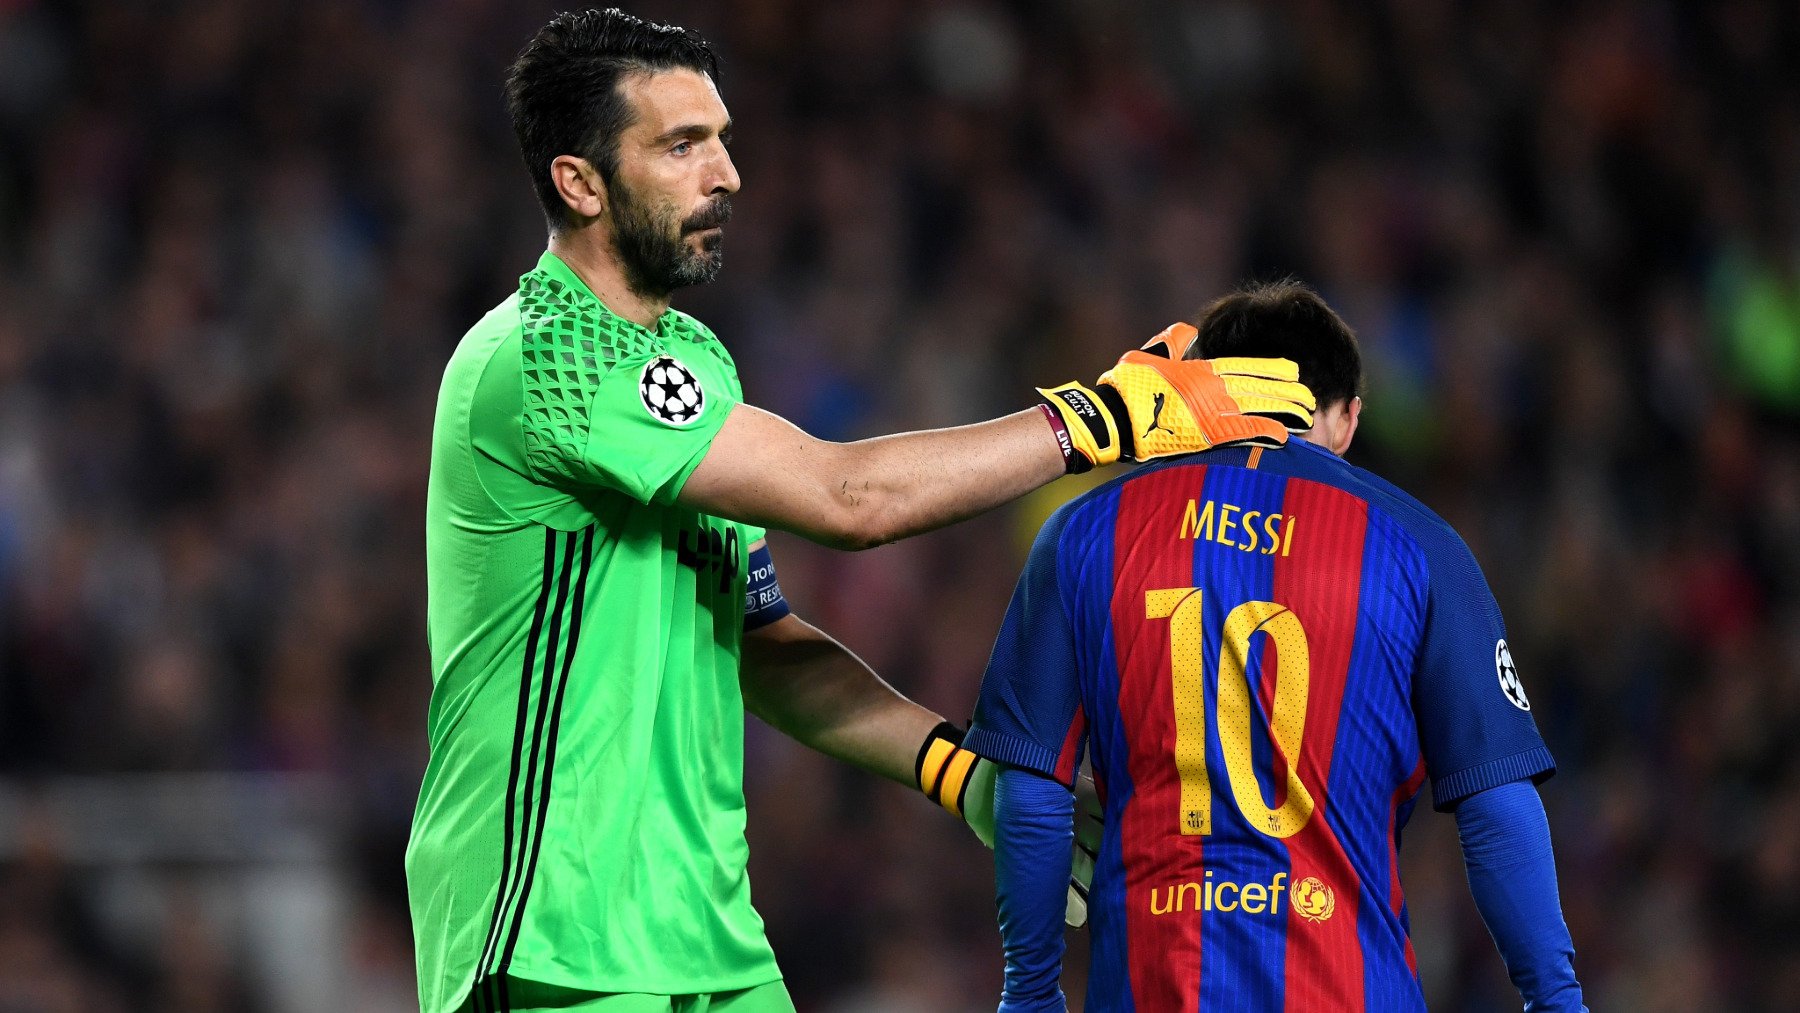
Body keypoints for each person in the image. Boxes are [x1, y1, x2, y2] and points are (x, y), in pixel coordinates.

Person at [404, 9, 1317, 1013]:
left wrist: (958, 771)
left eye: (722, 139)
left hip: (707, 935)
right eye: (681, 145)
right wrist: (1100, 418)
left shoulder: (693, 363)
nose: (726, 174)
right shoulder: (541, 355)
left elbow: (762, 644)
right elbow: (850, 498)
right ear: (579, 182)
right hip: (553, 931)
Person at [968, 281, 1585, 1011]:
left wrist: (1031, 995)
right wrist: (1558, 1002)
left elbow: (1035, 791)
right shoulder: (1422, 548)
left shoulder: (1083, 533)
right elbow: (1497, 801)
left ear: (1199, 391)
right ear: (1348, 416)